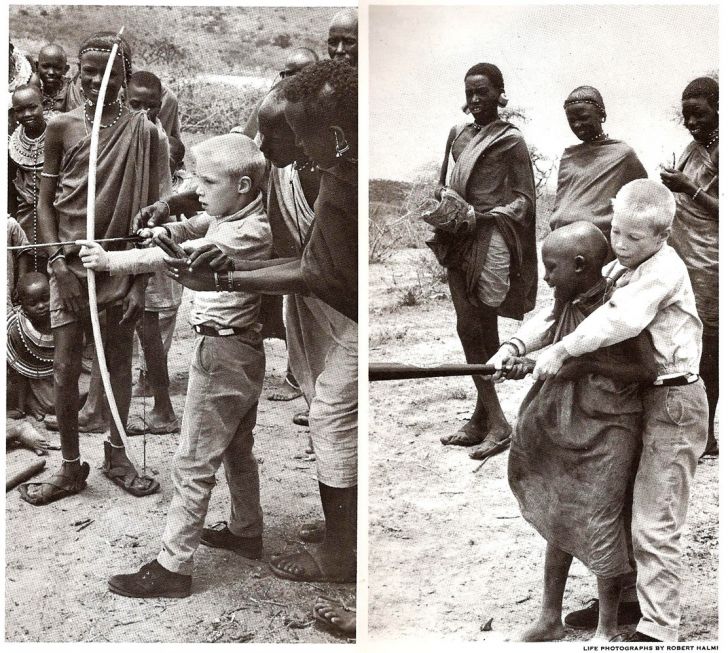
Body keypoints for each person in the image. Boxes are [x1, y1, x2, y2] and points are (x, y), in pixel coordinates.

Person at [163, 59, 358, 584]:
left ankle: (342, 555)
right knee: (297, 428)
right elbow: (296, 257)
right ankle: (297, 532)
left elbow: (315, 270)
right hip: (318, 317)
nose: (271, 145)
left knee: (333, 423)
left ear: (329, 133)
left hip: (345, 322)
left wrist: (227, 279)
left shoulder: (343, 176)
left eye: (286, 132)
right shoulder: (311, 167)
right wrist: (221, 259)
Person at [94, 134, 272, 597]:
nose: (197, 188)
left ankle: (173, 567)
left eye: (208, 181)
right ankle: (246, 530)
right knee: (235, 448)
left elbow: (174, 257)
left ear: (245, 185)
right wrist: (170, 227)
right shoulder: (236, 215)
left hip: (223, 356)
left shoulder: (249, 232)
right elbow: (197, 225)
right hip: (239, 352)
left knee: (193, 461)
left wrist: (110, 260)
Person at [533, 179, 708, 642]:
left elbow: (618, 319)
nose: (621, 245)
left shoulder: (662, 270)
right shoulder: (626, 266)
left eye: (635, 238)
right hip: (644, 399)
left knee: (655, 520)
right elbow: (567, 307)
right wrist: (520, 346)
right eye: (617, 234)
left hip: (675, 402)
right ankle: (629, 600)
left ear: (663, 235)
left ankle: (659, 631)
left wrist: (562, 352)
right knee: (622, 505)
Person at [488, 222, 656, 641]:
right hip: (564, 421)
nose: (545, 277)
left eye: (550, 267)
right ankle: (550, 618)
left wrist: (580, 364)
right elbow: (545, 328)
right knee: (558, 510)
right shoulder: (568, 298)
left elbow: (644, 369)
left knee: (600, 519)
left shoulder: (620, 308)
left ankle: (606, 629)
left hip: (608, 428)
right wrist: (515, 352)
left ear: (580, 267)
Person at [18, 31, 161, 506]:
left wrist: (138, 282)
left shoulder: (144, 132)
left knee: (117, 363)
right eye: (90, 72)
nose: (98, 81)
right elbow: (44, 203)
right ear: (80, 72)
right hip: (68, 268)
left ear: (125, 77)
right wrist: (58, 264)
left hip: (118, 266)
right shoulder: (61, 126)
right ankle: (70, 465)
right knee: (63, 368)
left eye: (109, 74)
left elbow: (150, 215)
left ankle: (117, 456)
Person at [432, 62, 537, 460]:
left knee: (481, 323)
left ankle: (497, 423)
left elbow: (524, 200)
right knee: (467, 326)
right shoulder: (456, 134)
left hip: (490, 237)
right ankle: (484, 420)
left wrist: (486, 216)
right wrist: (446, 208)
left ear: (499, 94)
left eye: (483, 92)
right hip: (456, 236)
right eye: (470, 92)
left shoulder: (511, 140)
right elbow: (445, 184)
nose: (475, 100)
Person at [660, 76, 719, 457]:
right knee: (688, 346)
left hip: (713, 264)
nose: (691, 123)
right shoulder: (690, 148)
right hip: (684, 260)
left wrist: (688, 188)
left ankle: (708, 435)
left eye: (698, 114)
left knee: (711, 348)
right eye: (686, 116)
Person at [123, 70, 178, 434]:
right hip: (116, 234)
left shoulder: (157, 137)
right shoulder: (115, 132)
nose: (143, 113)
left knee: (146, 324)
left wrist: (147, 229)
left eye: (152, 107)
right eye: (135, 105)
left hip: (143, 236)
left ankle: (163, 409)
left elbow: (163, 196)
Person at [550, 86, 647, 242]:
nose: (577, 125)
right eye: (572, 120)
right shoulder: (569, 155)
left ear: (602, 114)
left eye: (583, 117)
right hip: (560, 240)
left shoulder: (622, 154)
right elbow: (561, 201)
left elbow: (639, 199)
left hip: (599, 243)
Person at [9, 85, 48, 273]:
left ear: (43, 104)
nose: (26, 114)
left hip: (56, 206)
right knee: (31, 258)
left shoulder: (59, 131)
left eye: (32, 107)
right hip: (26, 211)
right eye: (19, 110)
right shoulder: (12, 143)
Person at [7, 272, 55, 421]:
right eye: (33, 304)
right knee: (51, 403)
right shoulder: (19, 328)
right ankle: (28, 403)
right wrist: (20, 408)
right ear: (23, 306)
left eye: (45, 299)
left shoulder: (61, 318)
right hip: (34, 381)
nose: (41, 306)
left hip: (59, 376)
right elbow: (19, 369)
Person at [36, 44, 71, 115]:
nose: (51, 72)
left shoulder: (70, 90)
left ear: (65, 69)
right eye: (45, 67)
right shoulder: (32, 88)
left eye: (57, 68)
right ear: (37, 66)